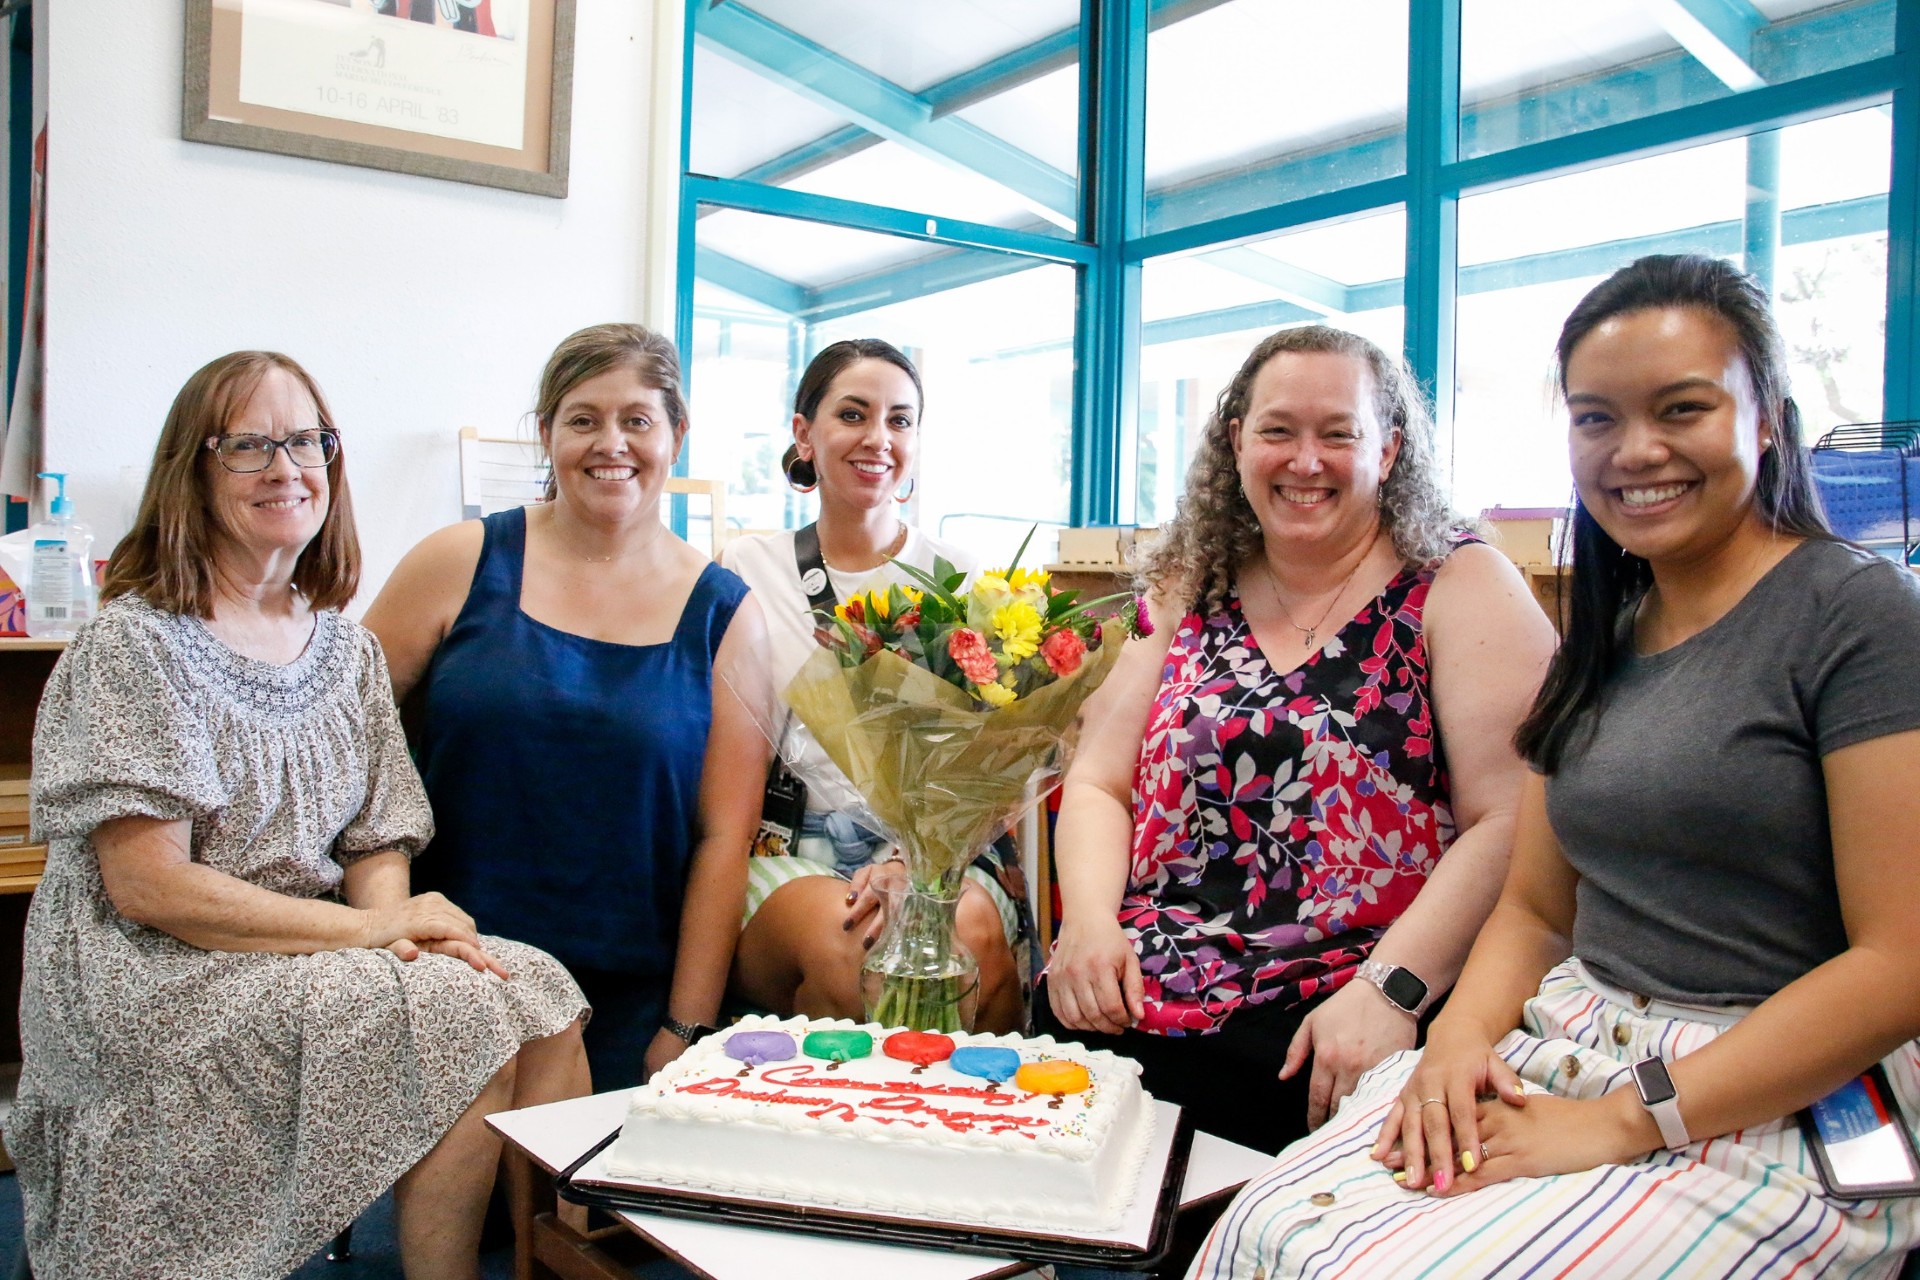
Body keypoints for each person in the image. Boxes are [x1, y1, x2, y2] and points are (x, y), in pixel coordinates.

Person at [1189, 255, 1920, 1279]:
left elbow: (1902, 963)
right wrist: (1449, 1048)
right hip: (1567, 1043)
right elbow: (1536, 910)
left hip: (1775, 1092)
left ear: (1766, 419)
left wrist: (1630, 1118)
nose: (1637, 450)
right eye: (1596, 418)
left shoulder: (1859, 615)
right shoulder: (1609, 629)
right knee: (1259, 1232)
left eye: (1682, 408)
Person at [12, 351, 589, 1280]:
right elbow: (148, 887)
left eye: (306, 441)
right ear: (191, 472)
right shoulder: (135, 643)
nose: (286, 467)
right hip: (153, 968)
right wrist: (374, 932)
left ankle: (543, 1267)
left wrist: (396, 932)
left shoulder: (345, 650)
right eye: (248, 445)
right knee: (455, 1011)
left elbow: (378, 834)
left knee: (539, 992)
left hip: (310, 943)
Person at [1041, 324, 1554, 1156]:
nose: (1304, 461)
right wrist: (1089, 925)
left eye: (1338, 434)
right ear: (1237, 443)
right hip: (1144, 986)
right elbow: (1100, 780)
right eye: (1278, 431)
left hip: (1347, 1004)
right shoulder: (1188, 583)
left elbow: (1512, 821)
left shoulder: (1460, 583)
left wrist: (1392, 992)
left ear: (1388, 451)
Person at [364, 323, 768, 1087]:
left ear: (676, 435)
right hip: (452, 975)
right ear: (546, 434)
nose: (609, 443)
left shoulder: (725, 614)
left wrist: (683, 1027)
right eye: (583, 420)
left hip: (625, 1004)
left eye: (636, 420)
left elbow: (725, 838)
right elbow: (339, 742)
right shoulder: (458, 561)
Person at [721, 338, 1025, 1032]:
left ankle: (985, 1133)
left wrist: (913, 862)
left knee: (972, 937)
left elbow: (999, 761)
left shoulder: (960, 575)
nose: (878, 439)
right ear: (804, 433)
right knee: (852, 947)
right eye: (853, 414)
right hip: (794, 847)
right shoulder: (747, 568)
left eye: (899, 420)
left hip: (941, 852)